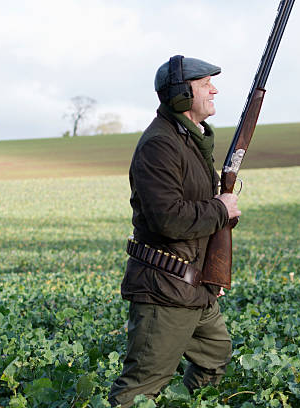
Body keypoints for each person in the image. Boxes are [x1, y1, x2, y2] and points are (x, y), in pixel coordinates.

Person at [108, 55, 241, 407]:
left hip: (193, 287)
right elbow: (168, 218)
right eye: (204, 84)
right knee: (138, 392)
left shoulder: (188, 140)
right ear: (181, 95)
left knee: (216, 355)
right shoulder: (160, 145)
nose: (214, 89)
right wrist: (220, 208)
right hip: (165, 290)